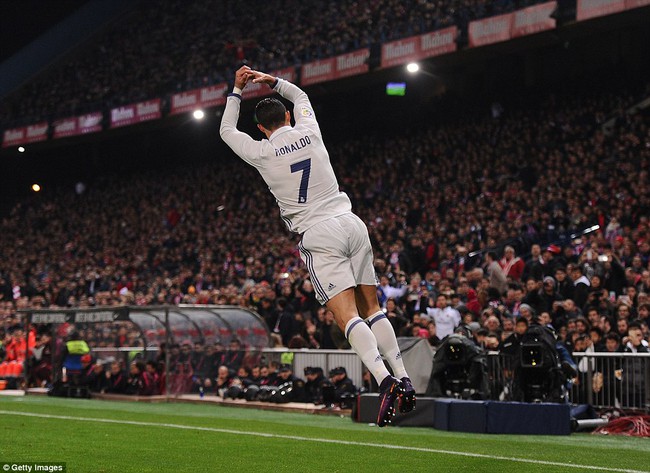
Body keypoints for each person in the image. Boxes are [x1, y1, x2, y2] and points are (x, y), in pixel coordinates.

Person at [220, 65, 414, 426]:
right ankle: (403, 377)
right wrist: (269, 80)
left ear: (261, 128)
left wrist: (236, 90)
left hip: (318, 232)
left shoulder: (262, 153)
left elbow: (226, 130)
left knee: (346, 316)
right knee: (372, 307)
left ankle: (384, 381)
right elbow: (301, 95)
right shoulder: (309, 129)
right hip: (352, 221)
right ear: (289, 117)